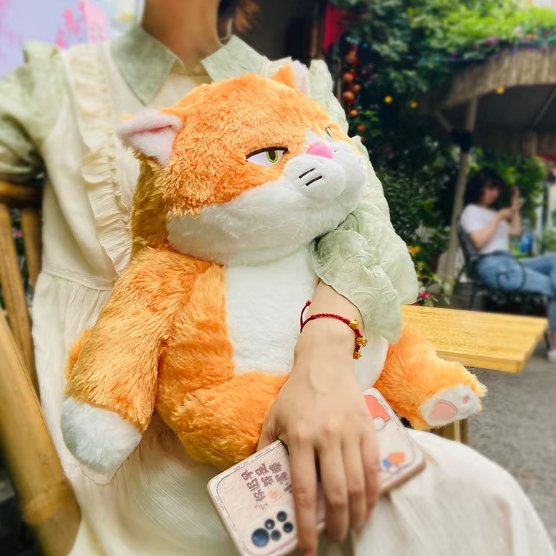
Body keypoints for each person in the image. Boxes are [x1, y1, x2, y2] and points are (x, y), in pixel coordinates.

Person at [0, 1, 553, 554]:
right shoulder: (64, 83)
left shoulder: (290, 82)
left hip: (323, 369)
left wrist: (324, 356)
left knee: (479, 499)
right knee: (451, 504)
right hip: (140, 427)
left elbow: (367, 225)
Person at [461, 168, 556, 361]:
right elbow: (479, 242)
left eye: (496, 189)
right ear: (479, 188)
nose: (494, 193)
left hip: (509, 262)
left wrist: (514, 209)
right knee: (551, 286)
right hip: (493, 267)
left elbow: (516, 231)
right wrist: (498, 218)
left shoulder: (492, 212)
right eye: (490, 188)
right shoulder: (470, 212)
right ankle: (555, 346)